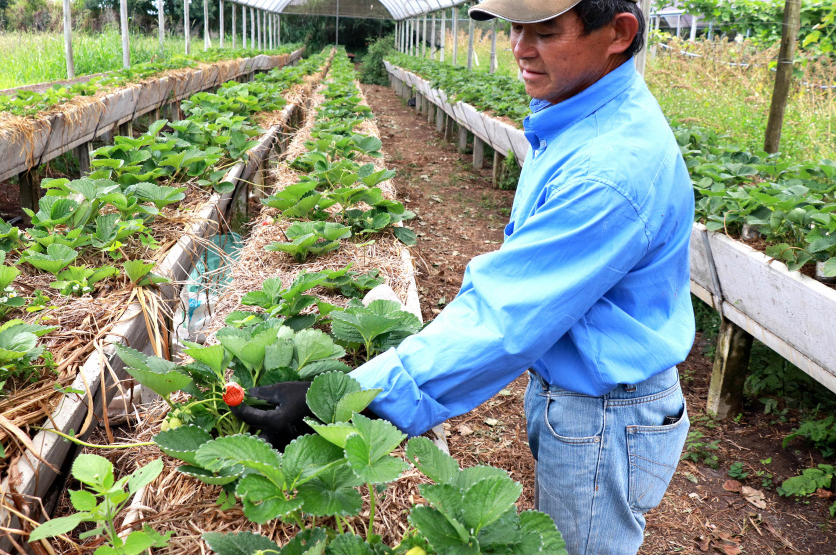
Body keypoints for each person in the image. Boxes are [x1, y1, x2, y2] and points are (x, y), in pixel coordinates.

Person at [235, 0, 695, 552]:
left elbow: (503, 319)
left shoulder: (609, 169)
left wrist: (348, 400)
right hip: (580, 391)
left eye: (545, 32)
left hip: (605, 412)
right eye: (515, 28)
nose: (521, 48)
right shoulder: (580, 115)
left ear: (618, 33)